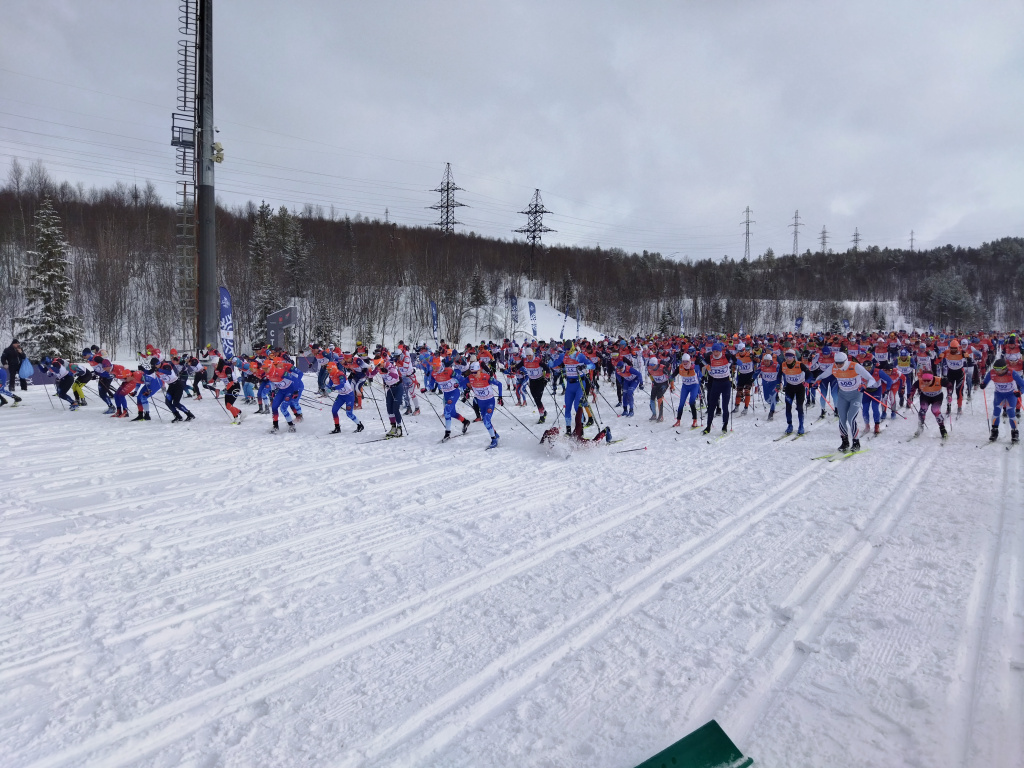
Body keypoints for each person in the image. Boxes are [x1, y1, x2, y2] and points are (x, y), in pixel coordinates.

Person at [819, 350, 876, 453]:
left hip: (856, 395)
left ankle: (856, 442)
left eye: (841, 363)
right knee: (842, 419)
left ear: (846, 361)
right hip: (843, 396)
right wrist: (816, 381)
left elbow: (871, 379)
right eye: (837, 363)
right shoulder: (834, 367)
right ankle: (845, 442)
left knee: (851, 419)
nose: (839, 365)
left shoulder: (855, 366)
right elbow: (822, 375)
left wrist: (864, 385)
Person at [980, 357, 1023, 444]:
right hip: (999, 394)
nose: (997, 371)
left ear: (1004, 368)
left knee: (1010, 411)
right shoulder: (992, 373)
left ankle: (1014, 432)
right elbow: (985, 381)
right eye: (995, 369)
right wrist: (983, 384)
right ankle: (994, 431)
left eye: (999, 369)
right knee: (996, 412)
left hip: (1011, 394)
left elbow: (1023, 385)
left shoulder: (1012, 373)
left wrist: (1020, 392)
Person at [908, 370, 948, 440]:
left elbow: (949, 385)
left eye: (928, 380)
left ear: (932, 379)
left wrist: (949, 395)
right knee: (922, 411)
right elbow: (913, 388)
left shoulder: (939, 380)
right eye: (924, 380)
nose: (926, 382)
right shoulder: (920, 381)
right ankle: (920, 428)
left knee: (935, 411)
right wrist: (910, 397)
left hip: (937, 397)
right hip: (925, 397)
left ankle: (943, 430)